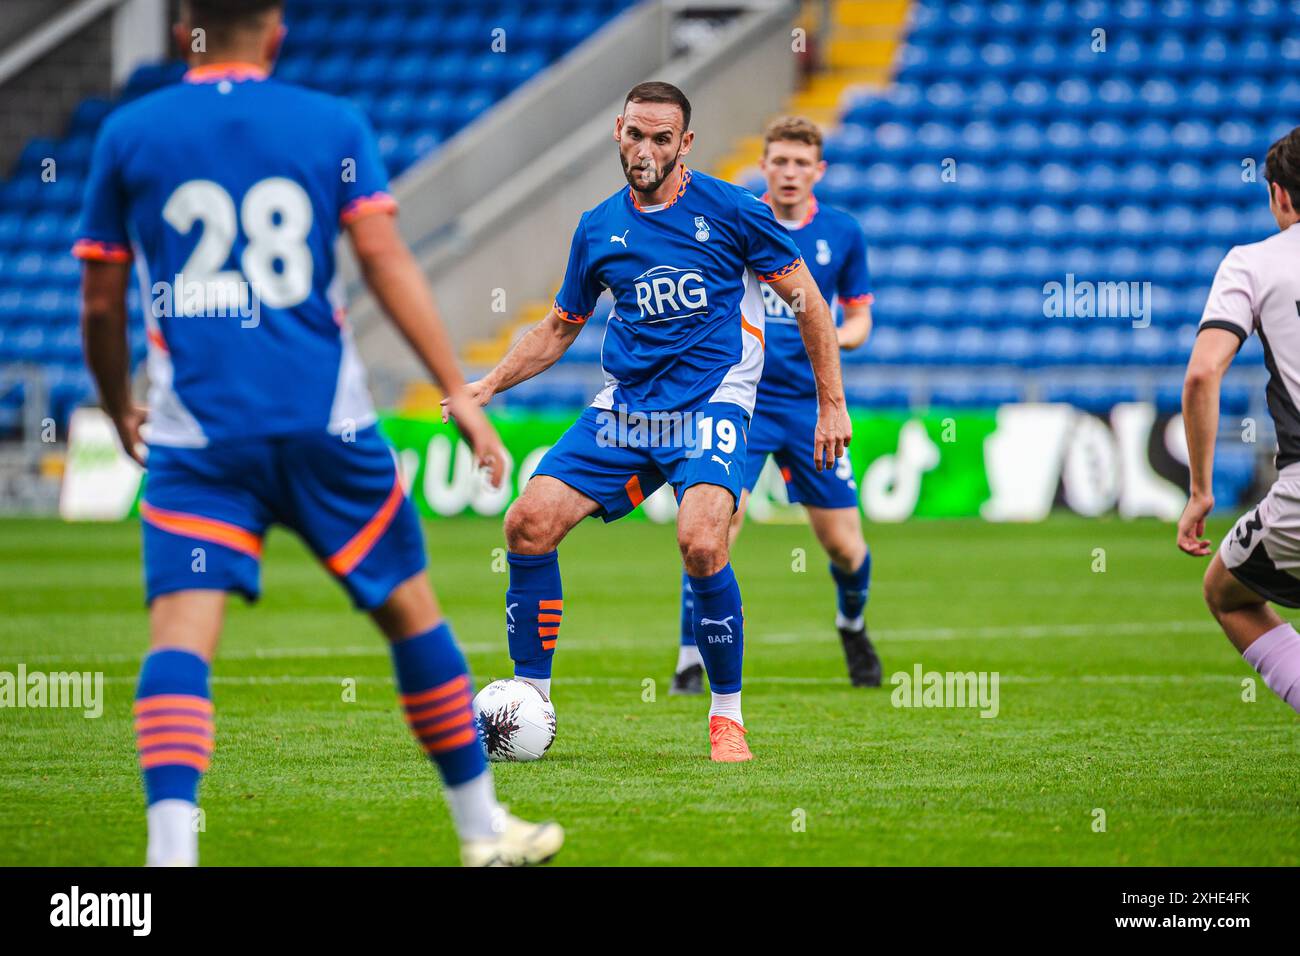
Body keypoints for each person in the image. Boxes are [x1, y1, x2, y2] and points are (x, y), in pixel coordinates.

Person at [75, 0, 562, 866]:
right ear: (276, 28)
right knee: (412, 616)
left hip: (198, 437)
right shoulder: (329, 123)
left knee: (181, 641)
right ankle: (483, 831)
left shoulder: (130, 133)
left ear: (184, 23)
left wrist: (117, 407)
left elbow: (103, 299)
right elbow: (383, 260)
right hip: (325, 429)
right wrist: (459, 388)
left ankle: (169, 858)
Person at [446, 82, 851, 762]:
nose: (646, 149)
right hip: (629, 409)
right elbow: (557, 327)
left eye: (662, 137)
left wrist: (830, 402)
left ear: (685, 144)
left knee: (701, 542)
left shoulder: (733, 211)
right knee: (526, 523)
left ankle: (726, 717)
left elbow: (808, 301)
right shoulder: (598, 227)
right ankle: (529, 698)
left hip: (714, 402)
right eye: (636, 134)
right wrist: (487, 383)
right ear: (618, 132)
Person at [670, 116, 880, 695]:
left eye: (800, 163)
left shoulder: (842, 232)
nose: (789, 172)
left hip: (811, 405)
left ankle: (852, 625)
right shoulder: (737, 218)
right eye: (779, 161)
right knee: (713, 529)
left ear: (819, 170)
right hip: (741, 399)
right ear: (764, 165)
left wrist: (838, 332)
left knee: (842, 544)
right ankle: (692, 658)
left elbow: (860, 316)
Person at [1178, 125, 1300, 716]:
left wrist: (1201, 492)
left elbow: (1203, 374)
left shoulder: (1252, 263)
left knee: (1226, 593)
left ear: (1278, 195)